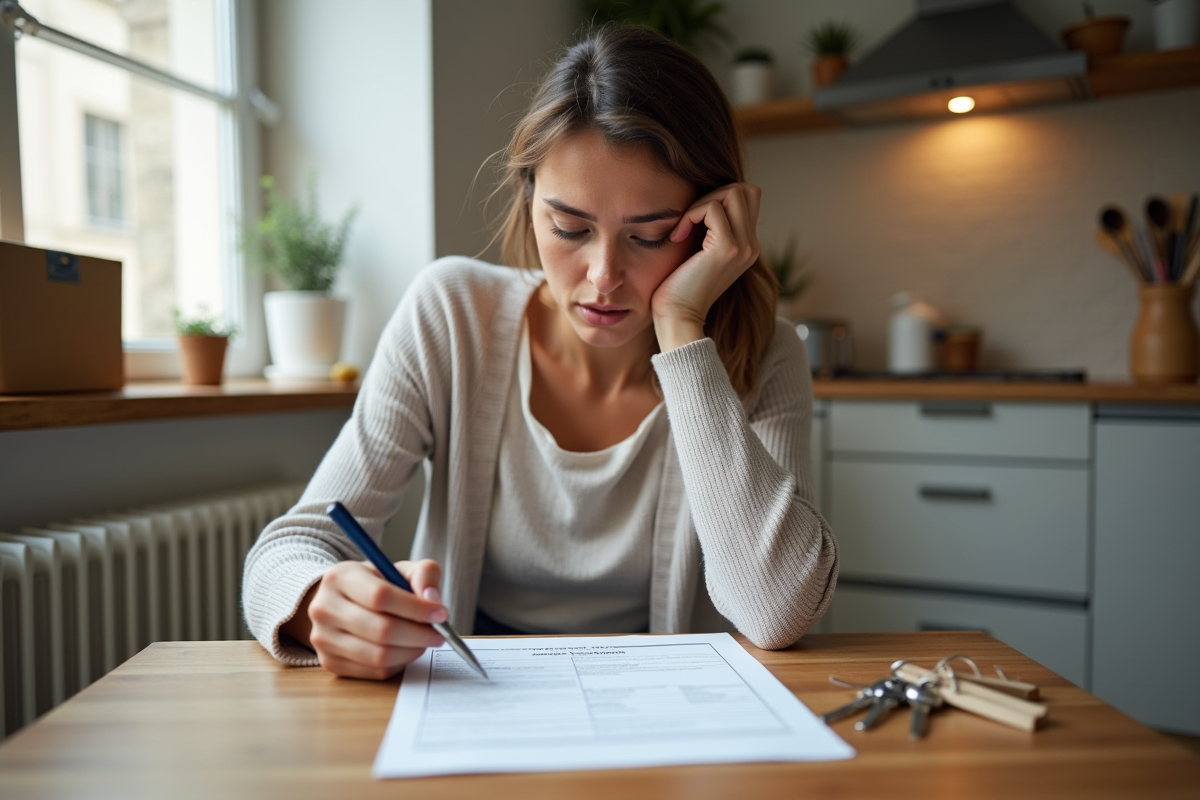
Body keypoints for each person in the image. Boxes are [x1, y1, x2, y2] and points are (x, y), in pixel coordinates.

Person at [242, 25, 838, 680]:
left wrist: (682, 328)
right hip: (474, 691)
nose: (602, 275)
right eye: (569, 227)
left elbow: (777, 610)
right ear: (529, 203)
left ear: (709, 230)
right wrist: (316, 604)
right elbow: (290, 549)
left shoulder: (766, 350)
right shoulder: (451, 313)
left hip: (664, 707)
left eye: (651, 235)